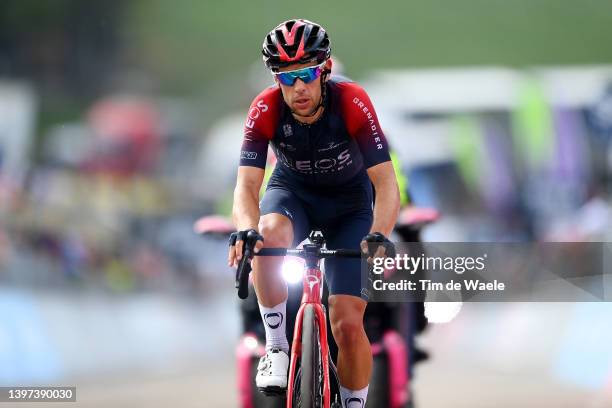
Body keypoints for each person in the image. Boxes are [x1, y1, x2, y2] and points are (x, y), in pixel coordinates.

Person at [228, 19, 399, 407]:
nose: (298, 88)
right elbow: (247, 186)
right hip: (293, 193)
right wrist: (244, 229)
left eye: (306, 75)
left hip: (350, 205)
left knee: (348, 323)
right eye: (287, 79)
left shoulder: (353, 101)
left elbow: (387, 184)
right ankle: (276, 348)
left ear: (324, 72)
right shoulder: (265, 108)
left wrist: (380, 235)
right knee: (267, 234)